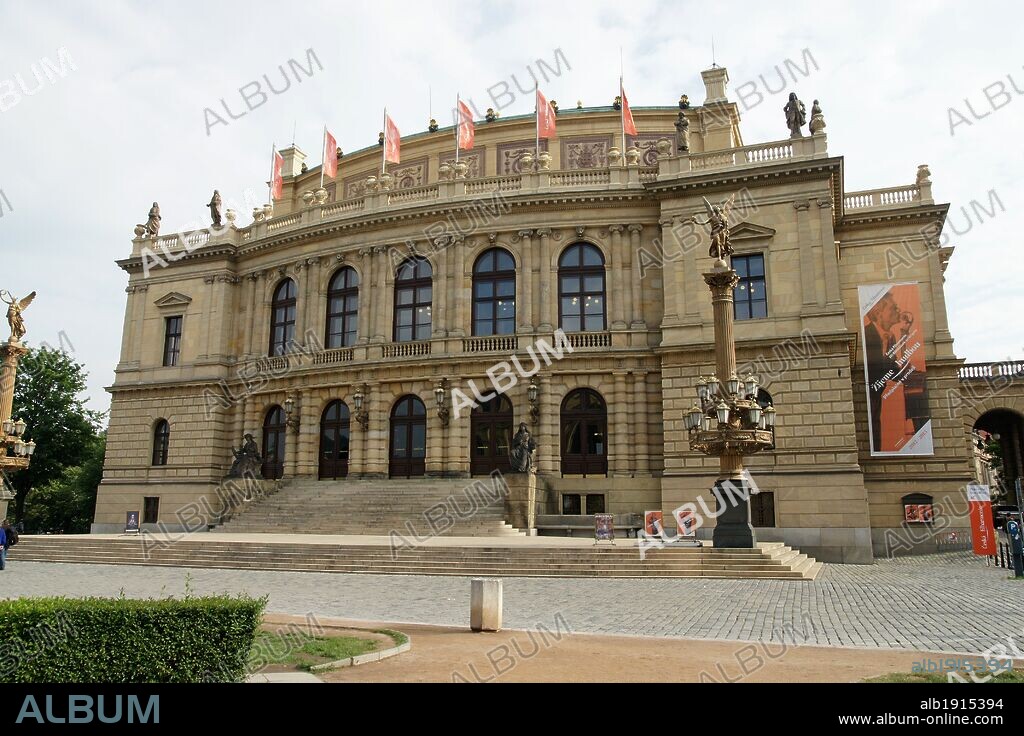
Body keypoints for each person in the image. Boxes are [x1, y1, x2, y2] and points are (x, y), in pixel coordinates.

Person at [864, 292, 912, 452]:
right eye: (893, 308)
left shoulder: (890, 337)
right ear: (878, 312)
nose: (898, 310)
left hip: (878, 393)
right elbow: (877, 366)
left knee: (876, 427)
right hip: (867, 392)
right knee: (873, 426)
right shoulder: (866, 334)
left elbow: (894, 369)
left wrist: (905, 335)